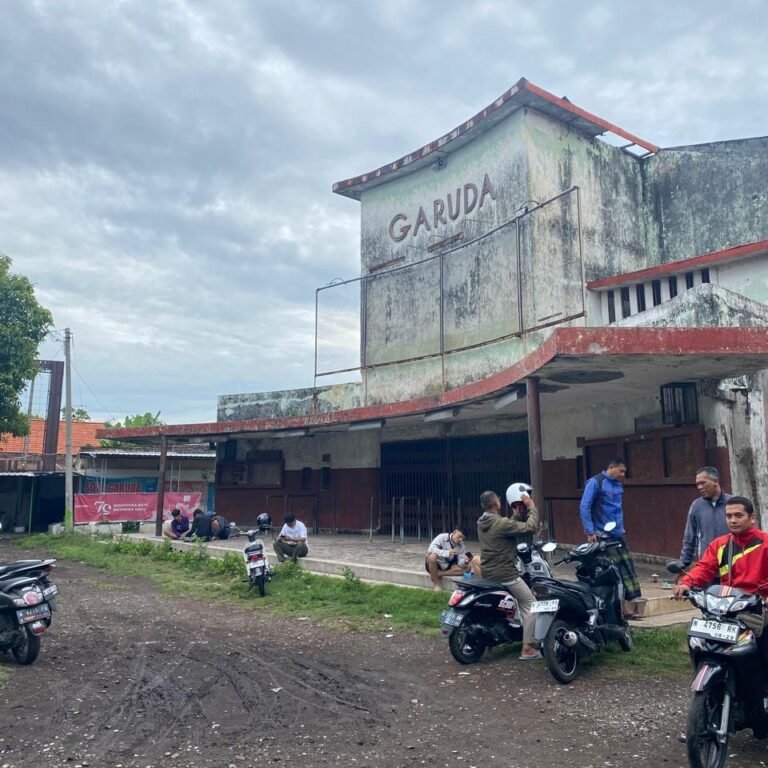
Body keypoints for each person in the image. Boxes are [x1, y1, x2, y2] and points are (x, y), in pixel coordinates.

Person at [673, 496, 768, 738]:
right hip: (726, 609)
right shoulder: (720, 545)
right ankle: (704, 711)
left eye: (738, 515)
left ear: (752, 518)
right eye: (729, 516)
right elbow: (703, 568)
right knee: (706, 646)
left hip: (757, 611)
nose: (733, 520)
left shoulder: (765, 544)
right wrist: (686, 583)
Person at [477, 486, 541, 660]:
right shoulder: (501, 523)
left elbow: (504, 529)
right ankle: (528, 648)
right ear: (496, 503)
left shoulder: (481, 522)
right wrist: (531, 507)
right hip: (505, 573)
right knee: (531, 604)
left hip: (488, 572)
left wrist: (516, 515)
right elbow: (530, 527)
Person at [579, 457, 642, 614]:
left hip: (618, 534)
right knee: (611, 572)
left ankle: (629, 607)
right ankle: (613, 608)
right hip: (602, 536)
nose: (623, 475)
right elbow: (585, 506)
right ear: (611, 468)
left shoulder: (618, 484)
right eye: (621, 471)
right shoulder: (596, 482)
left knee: (627, 569)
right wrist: (590, 531)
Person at [679, 466, 730, 566]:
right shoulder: (696, 506)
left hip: (732, 563)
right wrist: (683, 563)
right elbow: (689, 537)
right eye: (698, 484)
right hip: (707, 565)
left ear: (715, 481)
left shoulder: (733, 504)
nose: (699, 487)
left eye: (703, 483)